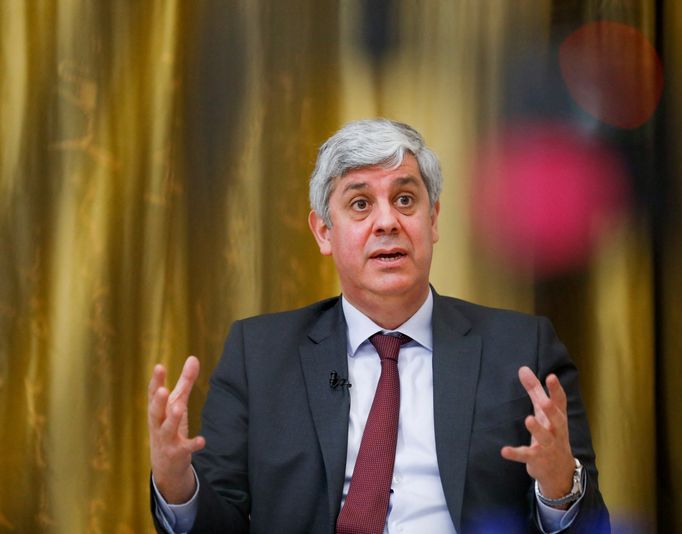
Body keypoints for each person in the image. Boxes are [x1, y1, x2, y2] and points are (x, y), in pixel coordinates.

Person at [148, 119, 610, 533]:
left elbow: (591, 525)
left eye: (405, 200)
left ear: (433, 220)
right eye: (361, 204)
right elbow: (220, 525)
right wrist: (177, 484)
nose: (387, 221)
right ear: (324, 232)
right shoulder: (261, 355)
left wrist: (557, 488)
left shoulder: (522, 349)